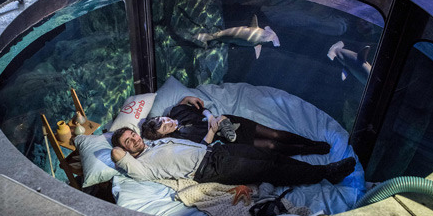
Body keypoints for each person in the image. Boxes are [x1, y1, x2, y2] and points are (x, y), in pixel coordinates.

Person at [110, 126, 356, 187]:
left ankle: (317, 168)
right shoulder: (141, 165)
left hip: (217, 150)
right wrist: (116, 144)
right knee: (267, 169)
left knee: (271, 155)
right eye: (128, 141)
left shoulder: (154, 142)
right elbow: (117, 155)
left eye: (133, 134)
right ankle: (326, 174)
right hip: (210, 168)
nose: (134, 139)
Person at [141, 96, 331, 156]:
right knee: (270, 146)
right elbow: (202, 148)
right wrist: (212, 130)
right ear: (164, 135)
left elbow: (192, 106)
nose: (168, 122)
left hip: (227, 120)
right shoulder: (178, 140)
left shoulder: (174, 112)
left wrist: (208, 115)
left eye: (163, 119)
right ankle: (308, 151)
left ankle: (312, 142)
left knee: (273, 134)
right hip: (225, 138)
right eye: (165, 127)